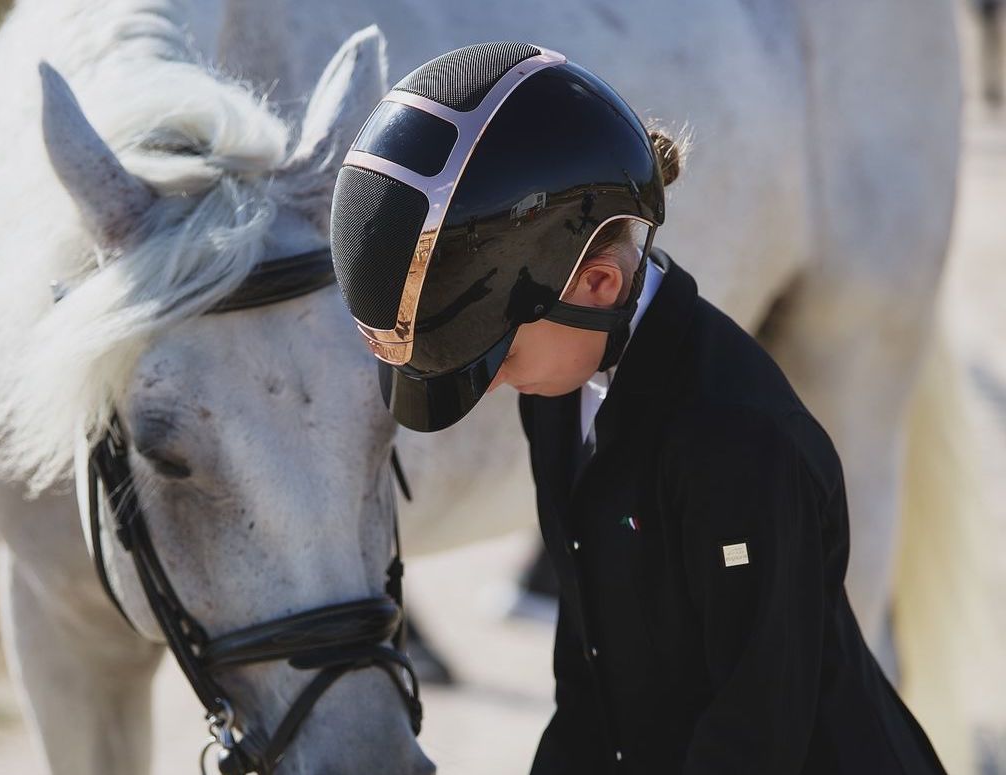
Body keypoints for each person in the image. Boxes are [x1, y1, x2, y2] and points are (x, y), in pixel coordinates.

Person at [329, 42, 948, 775]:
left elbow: (756, 725)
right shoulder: (559, 387)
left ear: (595, 284)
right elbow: (590, 672)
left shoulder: (739, 443)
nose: (495, 386)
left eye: (500, 355)